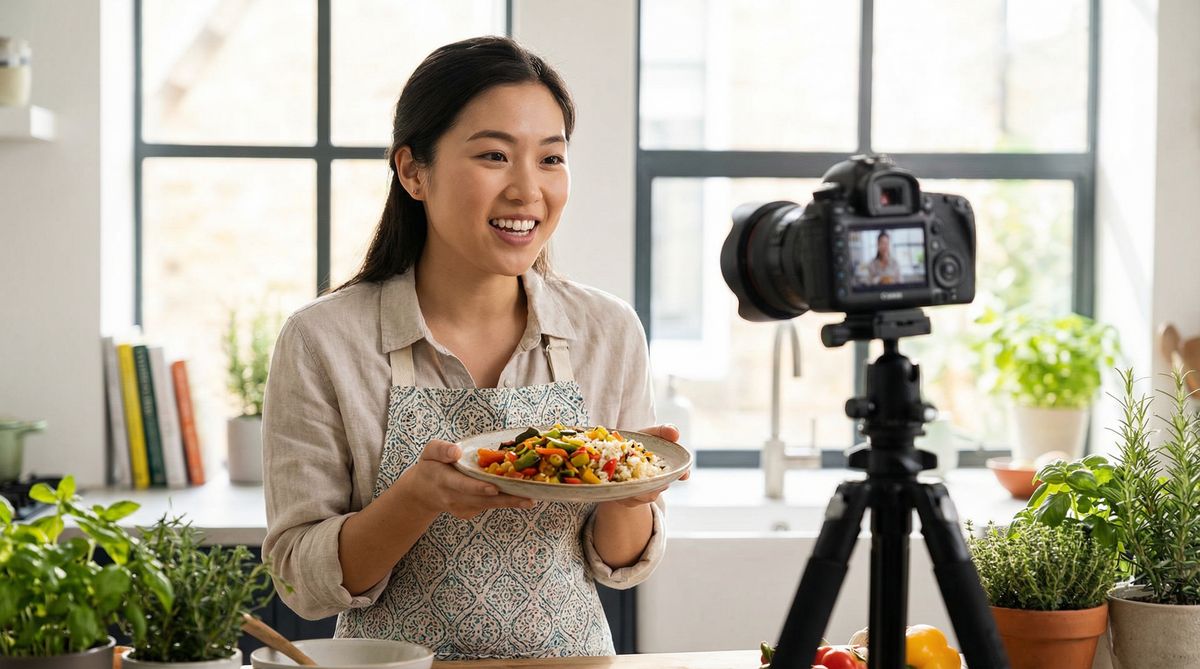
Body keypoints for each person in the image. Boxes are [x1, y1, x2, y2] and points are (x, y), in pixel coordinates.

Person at [261, 36, 685, 660]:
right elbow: (301, 582)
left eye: (550, 158)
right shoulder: (323, 340)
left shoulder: (607, 329)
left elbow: (620, 564)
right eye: (494, 155)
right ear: (412, 171)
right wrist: (418, 497)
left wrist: (629, 491)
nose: (527, 190)